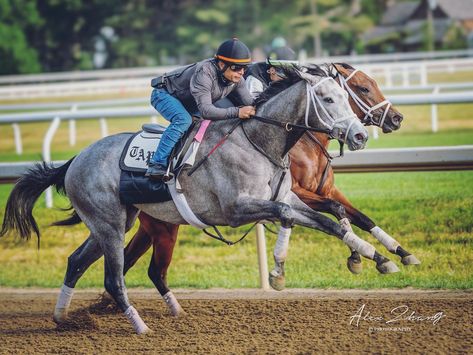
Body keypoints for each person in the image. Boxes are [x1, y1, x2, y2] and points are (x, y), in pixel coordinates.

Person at [146, 38, 256, 180]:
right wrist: (237, 112)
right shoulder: (204, 73)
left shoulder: (237, 79)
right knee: (183, 120)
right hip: (164, 94)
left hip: (191, 103)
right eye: (236, 67)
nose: (241, 72)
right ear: (222, 64)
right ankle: (157, 164)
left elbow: (252, 104)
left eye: (244, 68)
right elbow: (206, 111)